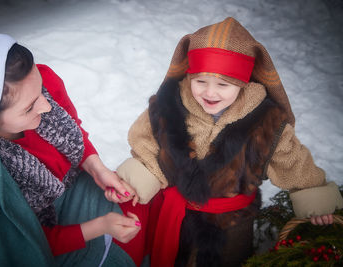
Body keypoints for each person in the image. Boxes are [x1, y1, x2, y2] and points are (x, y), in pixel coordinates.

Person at [116, 17, 343, 267]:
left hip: (232, 223)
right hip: (177, 219)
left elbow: (293, 163)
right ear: (189, 75)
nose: (210, 93)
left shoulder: (265, 124)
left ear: (244, 83)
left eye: (223, 84)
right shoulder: (168, 106)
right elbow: (147, 145)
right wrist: (140, 178)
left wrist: (313, 196)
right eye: (200, 81)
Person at [0, 30, 148, 267]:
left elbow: (73, 130)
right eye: (29, 108)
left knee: (140, 202)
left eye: (41, 90)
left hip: (73, 186)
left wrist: (96, 167)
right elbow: (22, 245)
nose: (46, 106)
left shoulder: (39, 84)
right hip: (47, 235)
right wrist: (100, 227)